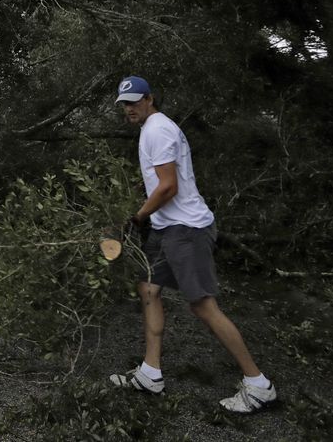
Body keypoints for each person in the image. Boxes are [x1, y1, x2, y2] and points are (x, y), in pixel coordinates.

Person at [108, 75, 277, 414]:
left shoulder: (158, 129)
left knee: (202, 306)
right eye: (124, 103)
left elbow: (168, 186)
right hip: (166, 228)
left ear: (149, 99)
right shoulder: (150, 129)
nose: (128, 108)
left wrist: (137, 216)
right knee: (149, 289)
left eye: (134, 101)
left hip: (186, 230)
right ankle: (150, 373)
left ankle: (258, 385)